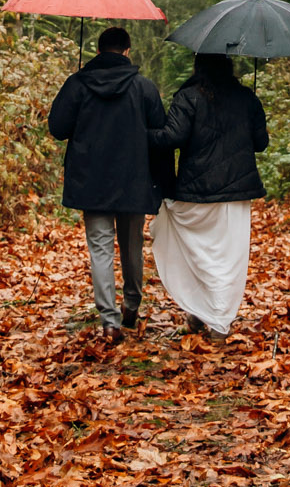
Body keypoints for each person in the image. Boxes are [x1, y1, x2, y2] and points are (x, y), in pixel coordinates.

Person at [48, 25, 166, 342]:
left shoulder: (78, 84)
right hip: (134, 180)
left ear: (98, 52)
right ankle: (131, 306)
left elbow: (58, 128)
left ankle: (109, 321)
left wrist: (74, 94)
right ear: (127, 51)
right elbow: (161, 136)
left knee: (100, 250)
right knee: (132, 248)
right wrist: (163, 182)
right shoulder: (144, 88)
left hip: (91, 181)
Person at [147, 52, 269, 336]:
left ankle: (200, 315)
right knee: (227, 259)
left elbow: (172, 137)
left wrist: (141, 133)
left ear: (198, 67)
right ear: (229, 67)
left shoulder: (188, 97)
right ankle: (217, 321)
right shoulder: (246, 98)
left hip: (196, 190)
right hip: (237, 194)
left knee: (197, 254)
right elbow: (261, 143)